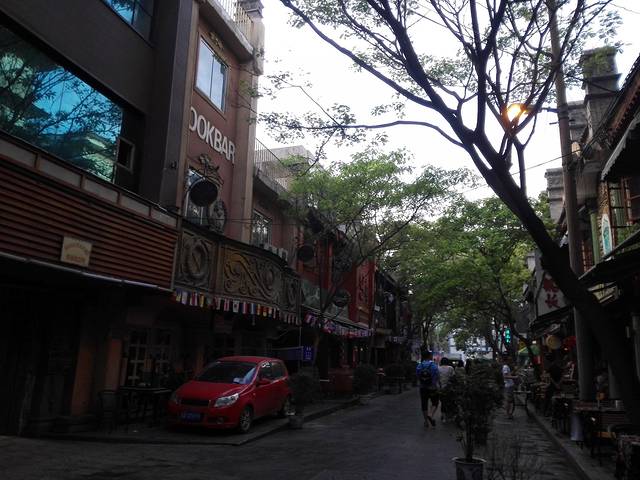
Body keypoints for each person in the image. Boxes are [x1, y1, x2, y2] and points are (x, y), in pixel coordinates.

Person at [416, 349, 440, 428]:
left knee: (424, 404)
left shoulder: (419, 366)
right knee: (435, 402)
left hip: (423, 387)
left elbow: (418, 376)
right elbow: (437, 376)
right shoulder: (434, 366)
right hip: (432, 387)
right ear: (430, 356)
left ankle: (426, 422)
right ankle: (430, 414)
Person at [438, 357, 455, 423]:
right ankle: (449, 416)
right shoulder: (450, 368)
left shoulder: (438, 368)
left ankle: (443, 417)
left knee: (443, 403)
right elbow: (453, 377)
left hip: (441, 388)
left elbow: (437, 379)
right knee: (449, 402)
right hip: (449, 388)